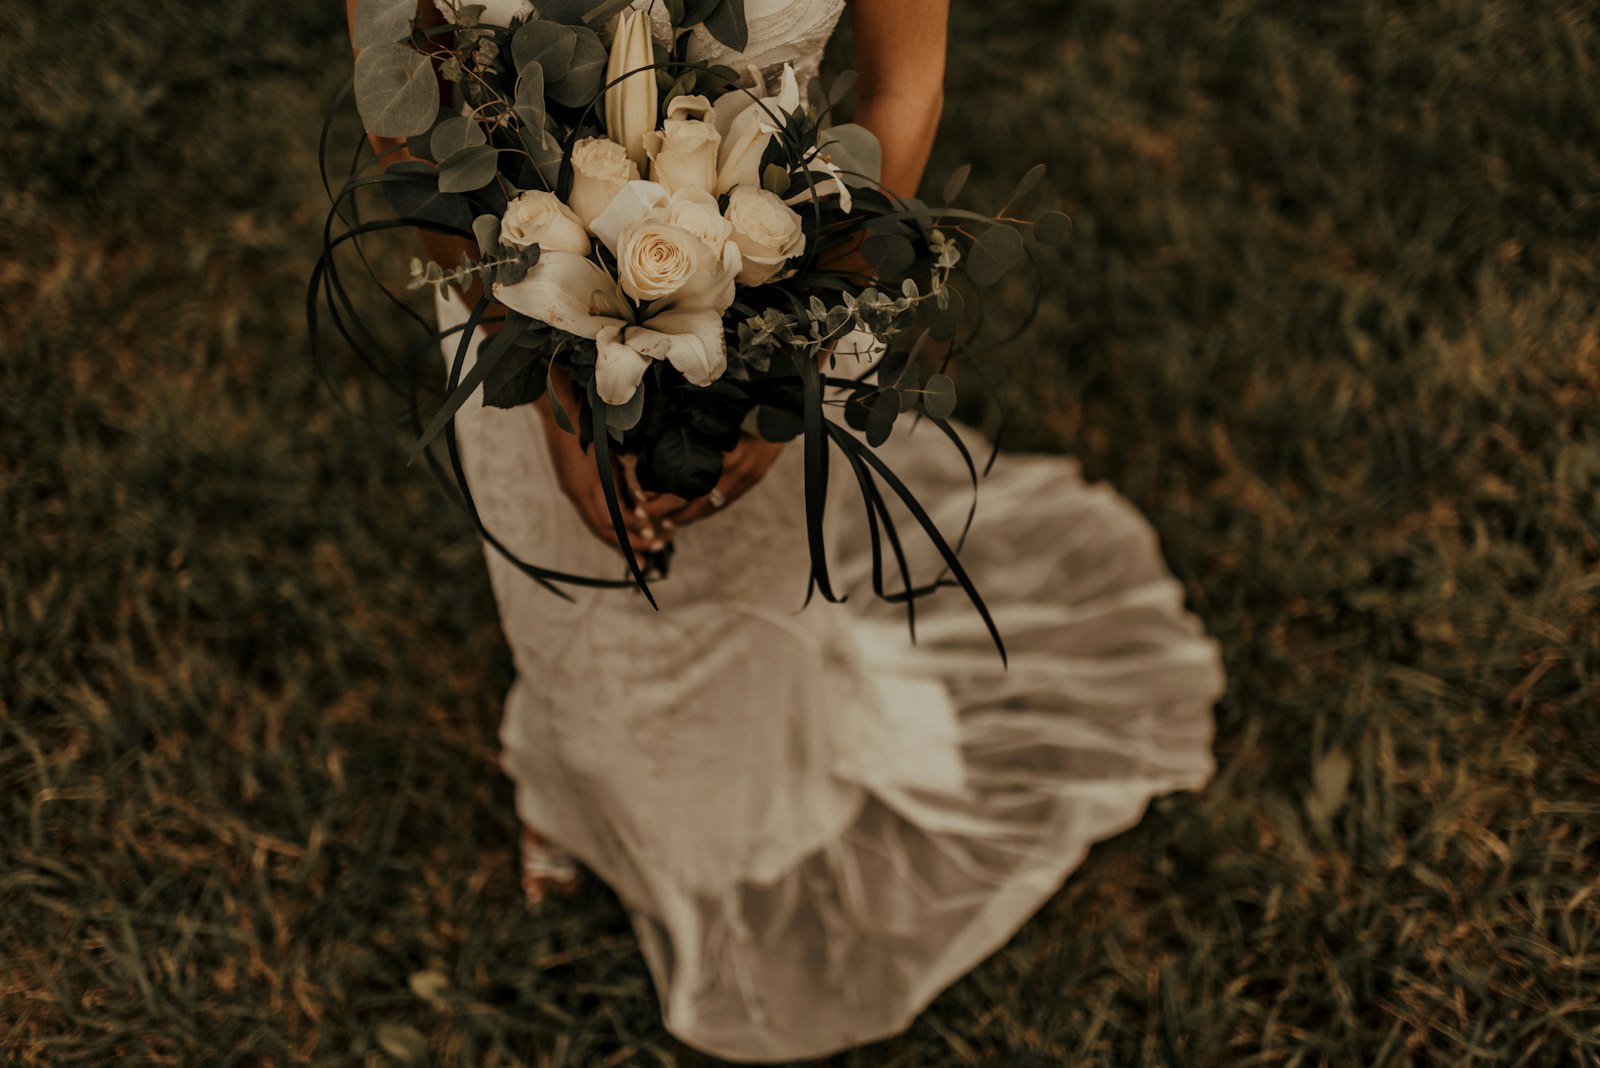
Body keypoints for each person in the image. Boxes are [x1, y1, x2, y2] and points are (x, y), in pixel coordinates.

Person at [345, 1, 1228, 1061]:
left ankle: (744, 811)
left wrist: (790, 370)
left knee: (739, 601)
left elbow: (903, 88)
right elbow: (405, 116)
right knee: (562, 592)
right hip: (515, 294)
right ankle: (572, 787)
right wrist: (547, 390)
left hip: (782, 285)